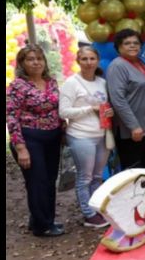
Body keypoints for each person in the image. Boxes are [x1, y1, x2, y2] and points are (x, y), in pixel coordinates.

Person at [7, 45, 65, 237]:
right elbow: (12, 117)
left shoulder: (51, 82)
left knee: (49, 181)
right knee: (37, 181)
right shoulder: (17, 86)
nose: (36, 62)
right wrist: (21, 147)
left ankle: (43, 219)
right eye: (30, 59)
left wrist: (64, 129)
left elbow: (58, 110)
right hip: (30, 138)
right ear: (22, 63)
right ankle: (43, 226)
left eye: (39, 58)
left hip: (53, 137)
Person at [58, 46, 113, 228]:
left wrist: (108, 112)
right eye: (84, 59)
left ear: (97, 60)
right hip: (81, 136)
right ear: (78, 61)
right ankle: (88, 214)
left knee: (97, 176)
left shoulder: (102, 82)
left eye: (92, 59)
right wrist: (90, 108)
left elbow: (104, 106)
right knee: (85, 177)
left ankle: (96, 208)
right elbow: (63, 111)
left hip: (102, 134)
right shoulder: (71, 83)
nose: (89, 63)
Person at [107, 29, 145, 171]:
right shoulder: (117, 66)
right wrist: (133, 126)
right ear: (119, 47)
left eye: (136, 43)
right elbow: (118, 100)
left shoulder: (142, 63)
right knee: (134, 175)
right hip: (131, 132)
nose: (132, 46)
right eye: (127, 43)